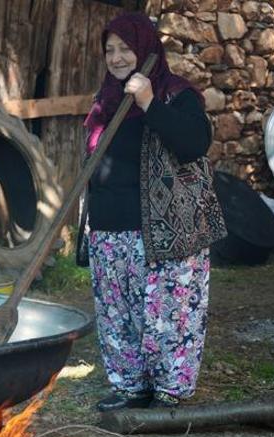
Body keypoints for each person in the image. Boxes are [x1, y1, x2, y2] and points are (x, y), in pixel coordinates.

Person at [78, 12, 227, 411]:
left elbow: (195, 142)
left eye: (125, 48)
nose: (116, 57)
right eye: (109, 50)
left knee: (168, 312)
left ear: (145, 49)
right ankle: (130, 385)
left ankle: (169, 389)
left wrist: (147, 103)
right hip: (110, 226)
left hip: (165, 229)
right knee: (118, 312)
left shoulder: (174, 93)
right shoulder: (106, 99)